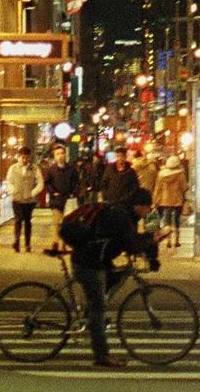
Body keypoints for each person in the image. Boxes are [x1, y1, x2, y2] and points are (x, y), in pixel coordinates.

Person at [66, 184, 156, 368]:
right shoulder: (121, 216)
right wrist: (150, 241)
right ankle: (102, 356)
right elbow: (130, 243)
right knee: (98, 308)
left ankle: (89, 318)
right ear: (139, 205)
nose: (148, 211)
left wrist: (149, 248)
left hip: (95, 259)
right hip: (88, 263)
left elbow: (127, 240)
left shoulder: (122, 212)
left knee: (110, 281)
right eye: (147, 207)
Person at [5, 145, 43, 251]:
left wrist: (33, 192)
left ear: (29, 157)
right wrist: (12, 190)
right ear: (19, 156)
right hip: (17, 199)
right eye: (23, 157)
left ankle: (27, 244)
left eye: (27, 157)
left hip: (29, 200)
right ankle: (16, 241)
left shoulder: (35, 168)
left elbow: (40, 182)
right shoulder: (13, 168)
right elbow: (9, 181)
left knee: (27, 221)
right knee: (18, 220)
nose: (25, 159)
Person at [42, 141, 80, 244]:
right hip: (56, 201)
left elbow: (77, 182)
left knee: (66, 224)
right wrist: (52, 192)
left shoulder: (71, 169)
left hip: (68, 201)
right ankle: (55, 242)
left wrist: (74, 193)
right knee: (56, 223)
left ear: (65, 154)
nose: (60, 156)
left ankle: (64, 243)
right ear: (54, 156)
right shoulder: (51, 170)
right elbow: (47, 183)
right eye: (57, 154)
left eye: (62, 153)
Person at [153, 154, 188, 249]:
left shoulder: (161, 174)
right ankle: (176, 240)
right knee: (176, 221)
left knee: (166, 221)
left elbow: (157, 188)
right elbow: (184, 187)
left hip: (165, 201)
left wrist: (155, 201)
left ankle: (167, 240)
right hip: (177, 201)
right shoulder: (180, 174)